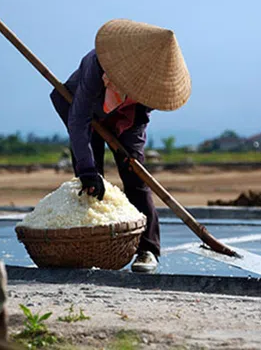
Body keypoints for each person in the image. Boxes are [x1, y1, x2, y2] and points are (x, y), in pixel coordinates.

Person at [50, 19, 191, 272]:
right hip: (84, 113)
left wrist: (131, 153)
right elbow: (79, 119)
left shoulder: (153, 83)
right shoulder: (98, 63)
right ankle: (93, 246)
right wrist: (87, 169)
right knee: (91, 182)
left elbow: (139, 120)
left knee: (136, 177)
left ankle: (147, 249)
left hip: (125, 118)